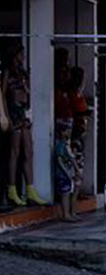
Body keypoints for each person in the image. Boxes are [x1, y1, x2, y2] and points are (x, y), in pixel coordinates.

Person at [2, 43, 48, 207]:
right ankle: (12, 189)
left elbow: (29, 93)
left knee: (28, 151)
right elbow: (3, 94)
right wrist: (6, 116)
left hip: (23, 112)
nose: (23, 57)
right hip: (13, 113)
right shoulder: (8, 73)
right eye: (21, 54)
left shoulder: (22, 73)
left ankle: (30, 189)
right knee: (14, 152)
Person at [53, 119, 78, 221]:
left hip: (66, 173)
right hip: (62, 174)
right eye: (67, 130)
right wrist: (66, 172)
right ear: (62, 132)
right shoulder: (60, 146)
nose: (69, 132)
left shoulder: (65, 145)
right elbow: (59, 160)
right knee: (65, 194)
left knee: (67, 193)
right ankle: (66, 214)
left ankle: (68, 213)